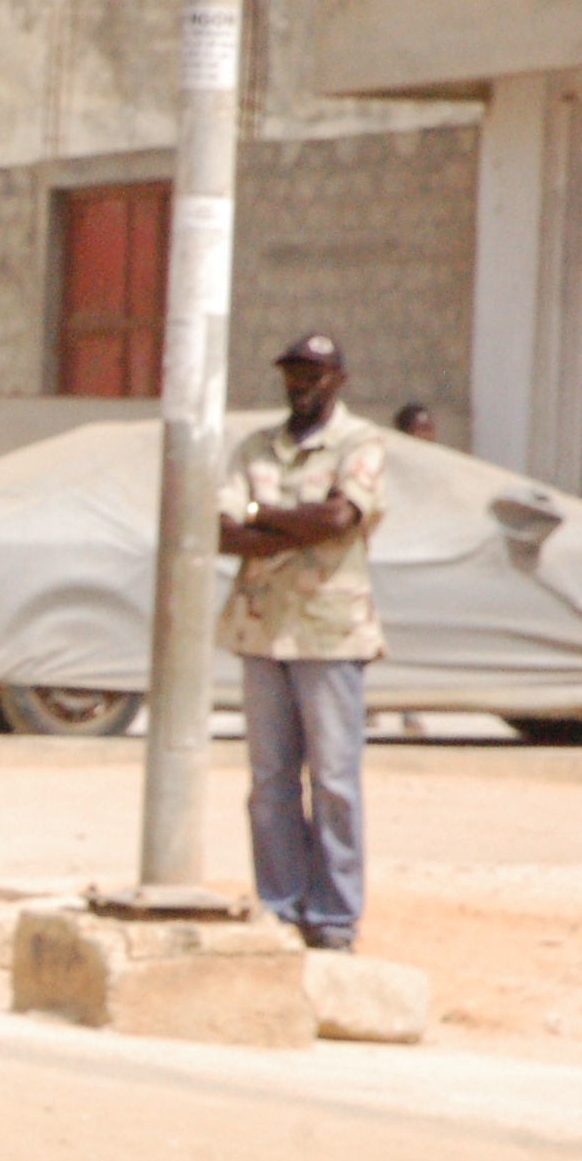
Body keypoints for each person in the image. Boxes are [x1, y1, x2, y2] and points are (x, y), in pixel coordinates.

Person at [220, 331, 387, 953]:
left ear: (337, 380)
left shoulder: (359, 443)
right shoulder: (255, 448)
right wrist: (302, 527)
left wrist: (264, 518)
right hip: (262, 628)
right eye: (294, 373)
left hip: (330, 632)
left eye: (315, 375)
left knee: (337, 782)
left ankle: (336, 918)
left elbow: (343, 518)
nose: (302, 385)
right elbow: (220, 529)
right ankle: (281, 908)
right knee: (270, 782)